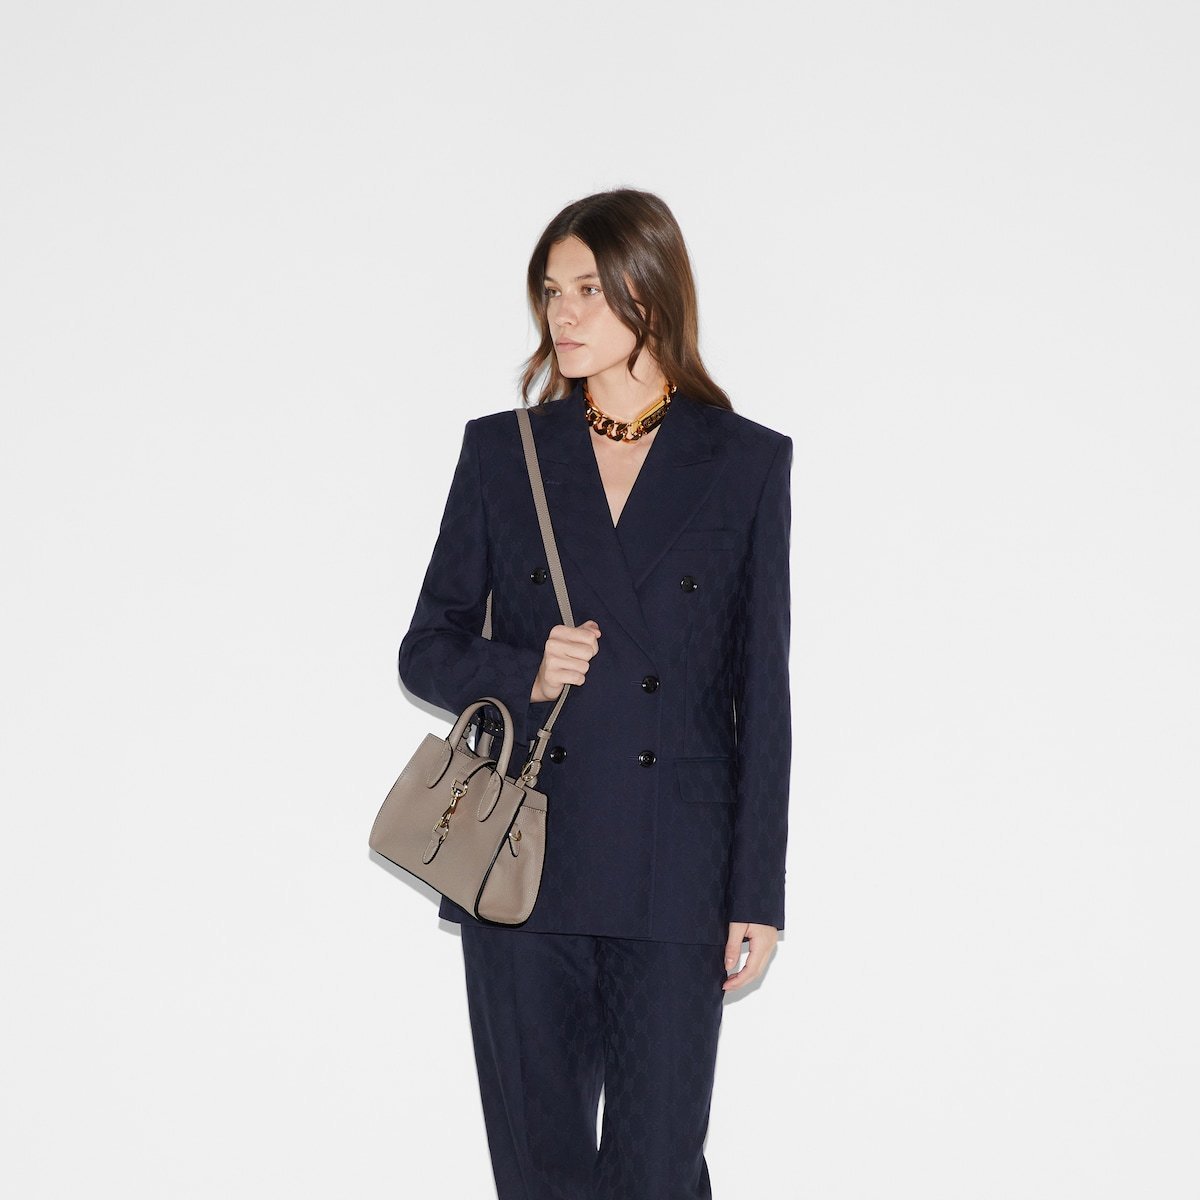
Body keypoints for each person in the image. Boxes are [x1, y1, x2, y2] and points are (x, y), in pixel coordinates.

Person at [397, 187, 793, 1200]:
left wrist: (756, 893)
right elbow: (426, 647)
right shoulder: (507, 452)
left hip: (677, 866)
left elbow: (762, 693)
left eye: (586, 290)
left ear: (647, 296)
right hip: (524, 863)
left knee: (657, 1171)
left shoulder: (746, 461)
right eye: (551, 291)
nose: (562, 314)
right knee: (540, 1173)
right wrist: (521, 670)